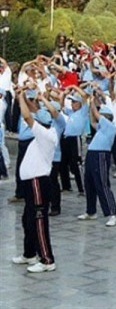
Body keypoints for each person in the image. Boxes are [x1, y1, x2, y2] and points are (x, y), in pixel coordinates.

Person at [11, 92, 59, 273]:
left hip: (38, 181)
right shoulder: (45, 131)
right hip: (32, 182)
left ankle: (47, 259)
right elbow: (35, 111)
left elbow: (27, 116)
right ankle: (29, 253)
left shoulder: (45, 134)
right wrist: (23, 96)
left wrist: (22, 98)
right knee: (27, 219)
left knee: (39, 220)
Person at [77, 99, 116, 227]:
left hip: (100, 155)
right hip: (92, 154)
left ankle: (112, 214)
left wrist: (91, 102)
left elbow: (96, 115)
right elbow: (92, 121)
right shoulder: (102, 127)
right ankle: (91, 211)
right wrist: (91, 108)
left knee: (102, 184)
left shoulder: (110, 126)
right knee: (89, 183)